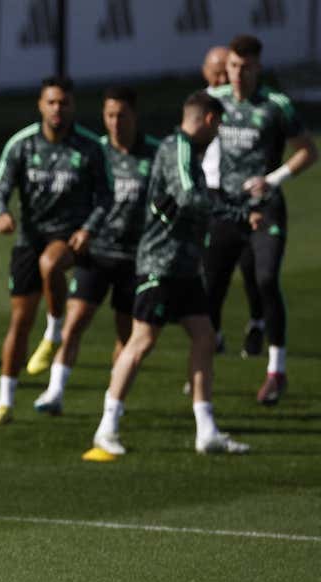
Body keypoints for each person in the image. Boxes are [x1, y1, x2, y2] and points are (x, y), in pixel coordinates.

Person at [89, 91, 253, 457]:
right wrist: (235, 212)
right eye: (219, 126)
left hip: (184, 264)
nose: (218, 134)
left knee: (204, 335)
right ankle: (107, 426)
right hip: (161, 263)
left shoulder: (187, 150)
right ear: (209, 120)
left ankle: (206, 430)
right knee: (142, 340)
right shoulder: (176, 147)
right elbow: (188, 195)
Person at [0, 76, 111, 426]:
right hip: (30, 237)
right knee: (19, 323)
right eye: (51, 102)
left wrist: (88, 229)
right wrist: (1, 213)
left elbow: (105, 197)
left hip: (71, 237)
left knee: (51, 264)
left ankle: (54, 332)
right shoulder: (22, 145)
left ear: (73, 106)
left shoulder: (89, 147)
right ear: (40, 105)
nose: (57, 109)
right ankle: (5, 402)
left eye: (64, 103)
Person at [32, 87, 159, 414]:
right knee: (74, 322)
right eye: (109, 116)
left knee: (126, 335)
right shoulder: (95, 151)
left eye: (122, 115)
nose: (115, 122)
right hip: (97, 252)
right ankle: (54, 392)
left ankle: (113, 399)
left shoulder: (155, 154)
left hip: (136, 258)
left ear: (135, 115)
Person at [204, 34, 316, 405]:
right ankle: (203, 366)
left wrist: (272, 180)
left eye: (245, 67)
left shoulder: (275, 105)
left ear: (258, 68)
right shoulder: (213, 101)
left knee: (266, 278)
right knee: (210, 288)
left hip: (265, 207)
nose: (237, 74)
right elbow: (189, 139)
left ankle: (276, 371)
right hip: (224, 208)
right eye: (233, 66)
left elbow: (307, 151)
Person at [199, 45, 262, 357]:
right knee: (213, 270)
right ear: (206, 72)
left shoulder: (245, 105)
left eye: (230, 69)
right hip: (209, 193)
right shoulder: (201, 104)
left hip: (242, 193)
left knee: (253, 267)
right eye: (218, 71)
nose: (225, 76)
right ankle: (214, 333)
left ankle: (258, 321)